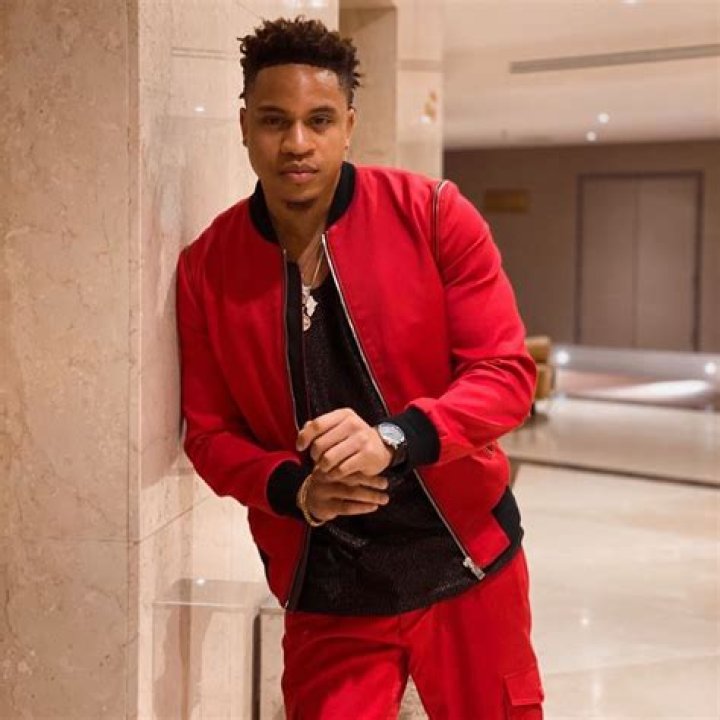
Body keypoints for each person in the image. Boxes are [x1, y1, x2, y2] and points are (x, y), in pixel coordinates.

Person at [176, 16, 544, 719]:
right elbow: (210, 434)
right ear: (244, 125)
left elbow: (504, 375)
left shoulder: (433, 214)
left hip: (466, 563)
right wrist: (296, 490)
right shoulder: (206, 268)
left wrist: (394, 438)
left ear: (348, 125)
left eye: (319, 120)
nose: (297, 143)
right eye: (275, 121)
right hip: (328, 586)